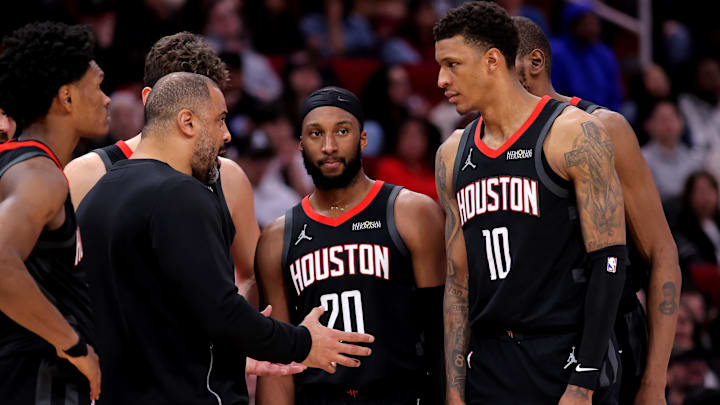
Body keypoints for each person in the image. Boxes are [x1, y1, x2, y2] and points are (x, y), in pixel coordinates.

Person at [77, 72, 374, 404]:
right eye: (219, 120)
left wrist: (242, 348)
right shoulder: (181, 193)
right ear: (187, 122)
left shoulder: (95, 196)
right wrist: (304, 344)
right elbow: (222, 311)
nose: (227, 135)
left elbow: (158, 321)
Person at [434, 3, 627, 404]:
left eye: (452, 64)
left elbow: (609, 261)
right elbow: (457, 283)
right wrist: (453, 391)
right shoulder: (452, 153)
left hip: (563, 355)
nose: (440, 79)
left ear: (491, 61)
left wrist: (584, 380)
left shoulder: (573, 132)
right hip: (490, 361)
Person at [513, 16, 682, 405]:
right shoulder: (478, 146)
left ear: (534, 63)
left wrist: (655, 382)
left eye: (497, 62)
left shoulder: (604, 128)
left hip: (608, 338)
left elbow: (662, 253)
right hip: (528, 347)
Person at [255, 86, 445, 404]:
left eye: (342, 131)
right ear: (301, 145)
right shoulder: (277, 237)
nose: (329, 146)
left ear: (363, 138)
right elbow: (278, 362)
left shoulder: (412, 212)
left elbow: (444, 331)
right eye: (316, 134)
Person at [64, 32, 259, 302]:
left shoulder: (229, 176)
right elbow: (63, 281)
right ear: (149, 99)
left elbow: (250, 273)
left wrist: (235, 329)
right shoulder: (87, 174)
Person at [0, 21, 110, 403]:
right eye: (97, 86)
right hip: (31, 380)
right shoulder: (38, 175)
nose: (107, 99)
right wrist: (74, 345)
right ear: (66, 97)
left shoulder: (18, 164)